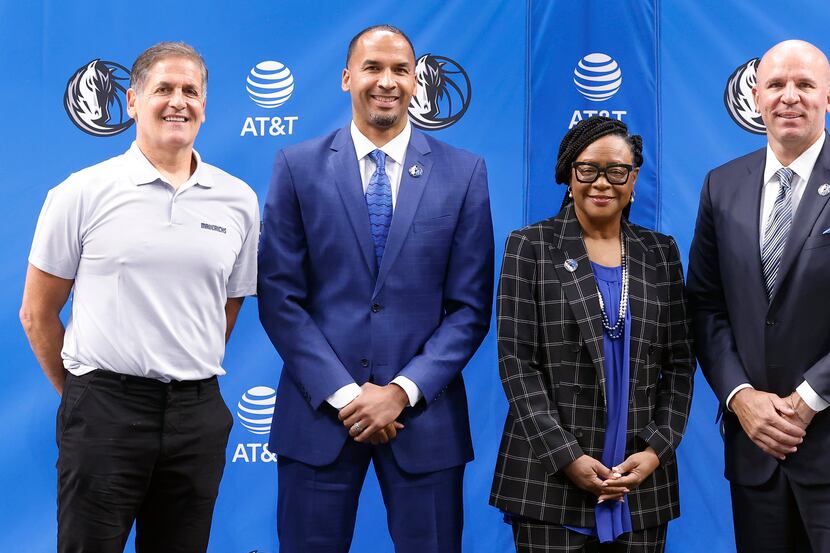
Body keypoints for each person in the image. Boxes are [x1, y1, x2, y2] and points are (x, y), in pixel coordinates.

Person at [257, 24, 494, 553]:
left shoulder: (464, 173)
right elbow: (280, 299)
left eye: (400, 70)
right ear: (346, 78)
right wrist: (349, 397)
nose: (386, 81)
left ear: (415, 82)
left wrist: (399, 393)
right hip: (319, 417)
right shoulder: (296, 167)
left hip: (424, 423)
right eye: (373, 68)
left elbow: (470, 308)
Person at [19, 42, 259, 553]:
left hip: (198, 414)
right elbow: (37, 314)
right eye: (163, 89)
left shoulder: (238, 199)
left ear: (204, 104)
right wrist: (86, 396)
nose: (178, 101)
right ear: (132, 101)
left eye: (190, 91)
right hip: (103, 409)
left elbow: (230, 300)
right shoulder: (81, 193)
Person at [490, 116, 694, 552]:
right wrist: (567, 457)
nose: (602, 182)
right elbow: (516, 364)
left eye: (616, 170)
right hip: (549, 479)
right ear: (568, 174)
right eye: (588, 169)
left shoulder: (661, 252)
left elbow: (680, 365)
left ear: (633, 177)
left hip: (639, 482)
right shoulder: (529, 246)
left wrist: (657, 449)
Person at [687, 39, 830, 552]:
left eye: (805, 85)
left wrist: (809, 399)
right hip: (754, 452)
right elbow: (705, 304)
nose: (789, 97)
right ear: (756, 96)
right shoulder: (721, 186)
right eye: (776, 85)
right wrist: (739, 397)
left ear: (828, 96)